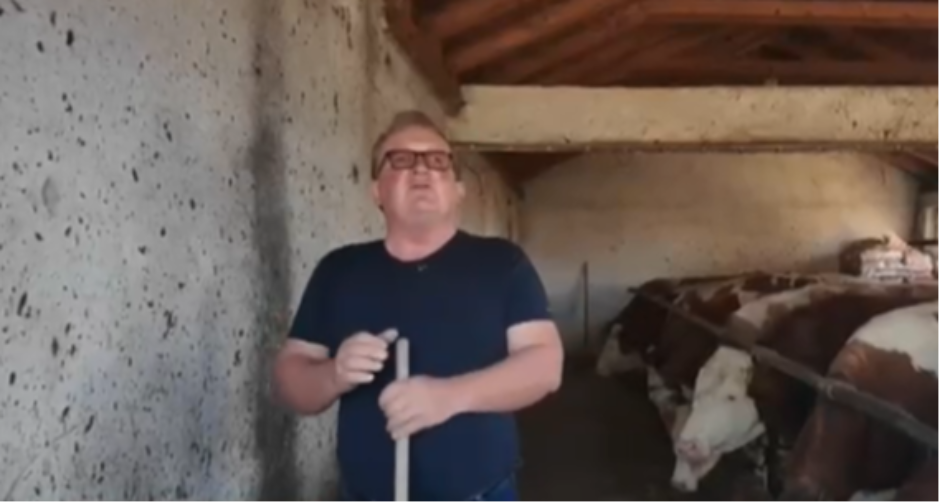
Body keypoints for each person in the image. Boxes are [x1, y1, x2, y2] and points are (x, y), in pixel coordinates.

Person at [271, 110, 563, 502]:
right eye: (401, 159)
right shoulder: (339, 270)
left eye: (437, 160)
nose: (422, 169)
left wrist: (447, 397)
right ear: (376, 191)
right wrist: (334, 373)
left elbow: (545, 366)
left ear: (458, 190)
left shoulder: (501, 263)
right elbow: (289, 381)